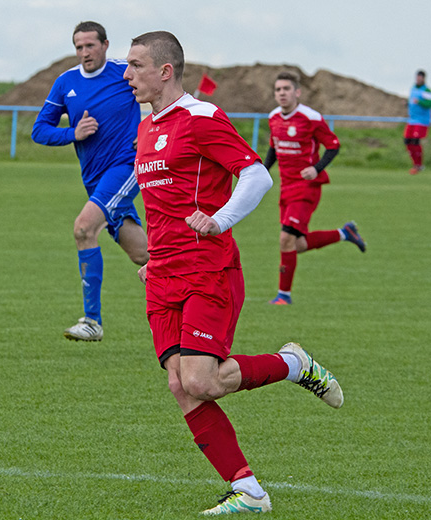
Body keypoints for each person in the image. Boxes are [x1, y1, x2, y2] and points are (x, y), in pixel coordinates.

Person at [124, 31, 343, 515]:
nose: (127, 74)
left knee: (201, 381)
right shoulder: (147, 125)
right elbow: (164, 205)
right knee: (180, 384)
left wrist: (220, 219)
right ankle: (249, 491)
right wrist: (154, 259)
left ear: (165, 70)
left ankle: (292, 365)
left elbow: (257, 175)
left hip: (208, 268)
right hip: (163, 275)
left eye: (136, 65)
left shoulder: (201, 118)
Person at [32, 21, 149, 342]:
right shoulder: (65, 82)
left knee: (84, 228)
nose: (84, 52)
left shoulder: (125, 72)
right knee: (143, 255)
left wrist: (148, 131)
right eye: (79, 47)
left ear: (105, 45)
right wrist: (74, 133)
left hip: (126, 167)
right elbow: (39, 130)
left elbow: (163, 96)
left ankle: (92, 321)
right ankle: (194, 287)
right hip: (94, 180)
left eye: (90, 46)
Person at [265, 72, 366, 305]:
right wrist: (263, 170)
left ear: (297, 92)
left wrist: (316, 168)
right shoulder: (273, 117)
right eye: (278, 89)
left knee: (285, 239)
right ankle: (345, 233)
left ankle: (283, 296)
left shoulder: (311, 118)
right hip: (286, 188)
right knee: (297, 245)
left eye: (286, 89)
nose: (282, 93)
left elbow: (333, 145)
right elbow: (274, 148)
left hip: (306, 187)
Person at [405, 69, 431, 175]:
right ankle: (415, 163)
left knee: (415, 141)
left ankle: (419, 165)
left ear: (423, 78)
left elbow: (429, 103)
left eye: (420, 77)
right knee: (407, 141)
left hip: (421, 120)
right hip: (412, 120)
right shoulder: (413, 89)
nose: (418, 79)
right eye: (417, 77)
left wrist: (419, 102)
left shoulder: (426, 90)